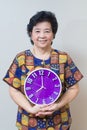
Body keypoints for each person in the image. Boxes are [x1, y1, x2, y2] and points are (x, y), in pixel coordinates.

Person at [3, 11, 83, 130]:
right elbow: (14, 91)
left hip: (59, 122)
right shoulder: (21, 59)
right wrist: (31, 109)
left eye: (47, 31)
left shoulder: (63, 58)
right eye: (37, 31)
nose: (42, 35)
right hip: (29, 123)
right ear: (31, 34)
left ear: (53, 34)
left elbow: (74, 88)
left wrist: (57, 106)